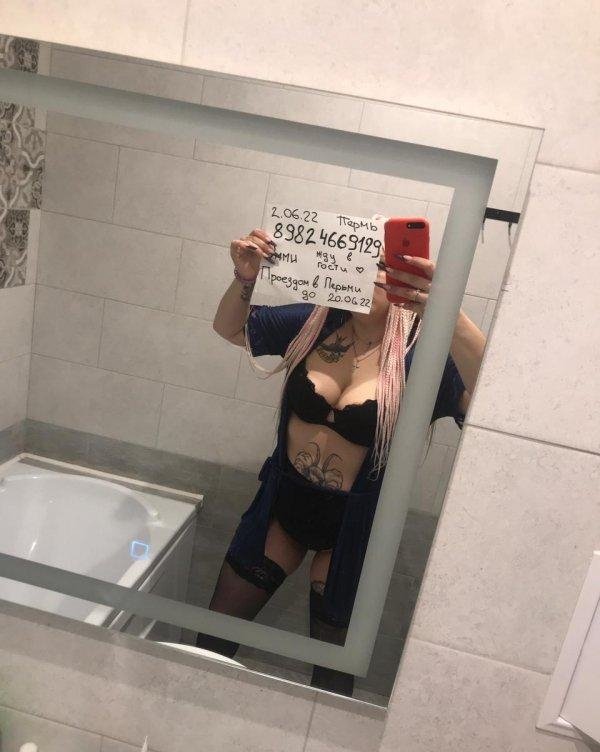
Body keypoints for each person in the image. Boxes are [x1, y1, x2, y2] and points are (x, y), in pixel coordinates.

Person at [195, 225, 486, 695]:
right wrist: (244, 276)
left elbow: (489, 400)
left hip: (353, 527)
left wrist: (448, 312)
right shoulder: (314, 321)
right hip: (282, 509)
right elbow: (230, 327)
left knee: (331, 678)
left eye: (384, 267)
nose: (369, 274)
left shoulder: (423, 353)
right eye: (361, 263)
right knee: (211, 641)